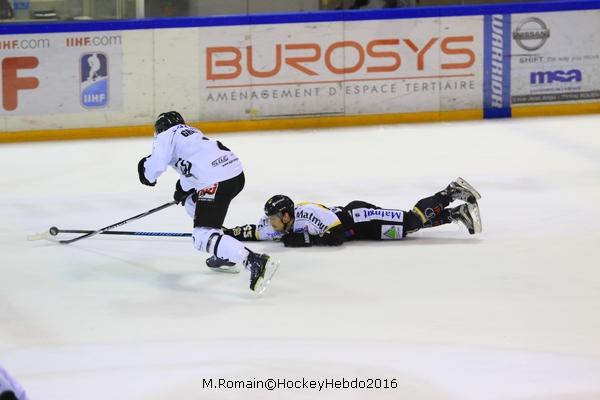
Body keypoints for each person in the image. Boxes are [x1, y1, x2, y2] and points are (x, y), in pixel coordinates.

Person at [137, 111, 277, 292]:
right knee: (191, 203)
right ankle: (225, 252)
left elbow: (153, 170)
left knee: (201, 237)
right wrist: (182, 190)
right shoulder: (191, 133)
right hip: (235, 175)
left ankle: (253, 260)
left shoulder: (166, 136)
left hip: (216, 181)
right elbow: (195, 165)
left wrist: (143, 168)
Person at [206, 178, 481, 269]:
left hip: (359, 218)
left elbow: (336, 236)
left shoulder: (309, 213)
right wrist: (223, 233)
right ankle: (455, 215)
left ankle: (449, 192)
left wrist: (304, 241)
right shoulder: (274, 225)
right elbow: (252, 232)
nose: (272, 224)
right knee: (408, 231)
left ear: (288, 215)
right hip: (362, 233)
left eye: (276, 219)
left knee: (410, 221)